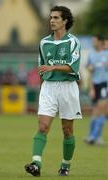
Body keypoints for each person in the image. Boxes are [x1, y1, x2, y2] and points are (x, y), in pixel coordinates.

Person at [24, 6, 82, 176]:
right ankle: (36, 164)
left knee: (67, 130)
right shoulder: (44, 43)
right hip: (48, 88)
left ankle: (65, 165)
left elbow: (73, 67)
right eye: (51, 17)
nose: (52, 20)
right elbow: (42, 69)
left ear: (65, 21)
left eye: (56, 18)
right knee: (42, 127)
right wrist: (42, 88)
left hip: (68, 87)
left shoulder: (73, 42)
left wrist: (53, 66)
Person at [84, 35, 108, 145]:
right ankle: (92, 136)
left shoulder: (106, 54)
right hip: (95, 85)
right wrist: (91, 88)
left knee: (101, 109)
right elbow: (88, 69)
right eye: (92, 40)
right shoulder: (92, 55)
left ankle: (94, 137)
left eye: (95, 41)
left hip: (104, 84)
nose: (93, 42)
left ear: (100, 42)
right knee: (96, 111)